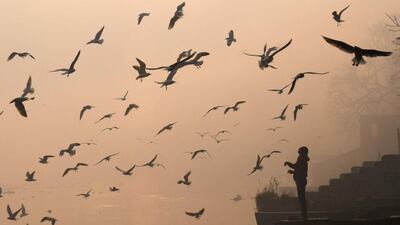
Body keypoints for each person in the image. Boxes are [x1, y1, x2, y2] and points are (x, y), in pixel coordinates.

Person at [284, 146, 310, 220]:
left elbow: (296, 167)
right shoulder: (303, 159)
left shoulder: (302, 159)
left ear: (302, 153)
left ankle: (304, 215)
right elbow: (299, 169)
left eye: (299, 152)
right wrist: (293, 172)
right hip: (301, 180)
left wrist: (288, 163)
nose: (298, 153)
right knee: (301, 198)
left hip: (300, 180)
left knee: (301, 198)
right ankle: (303, 215)